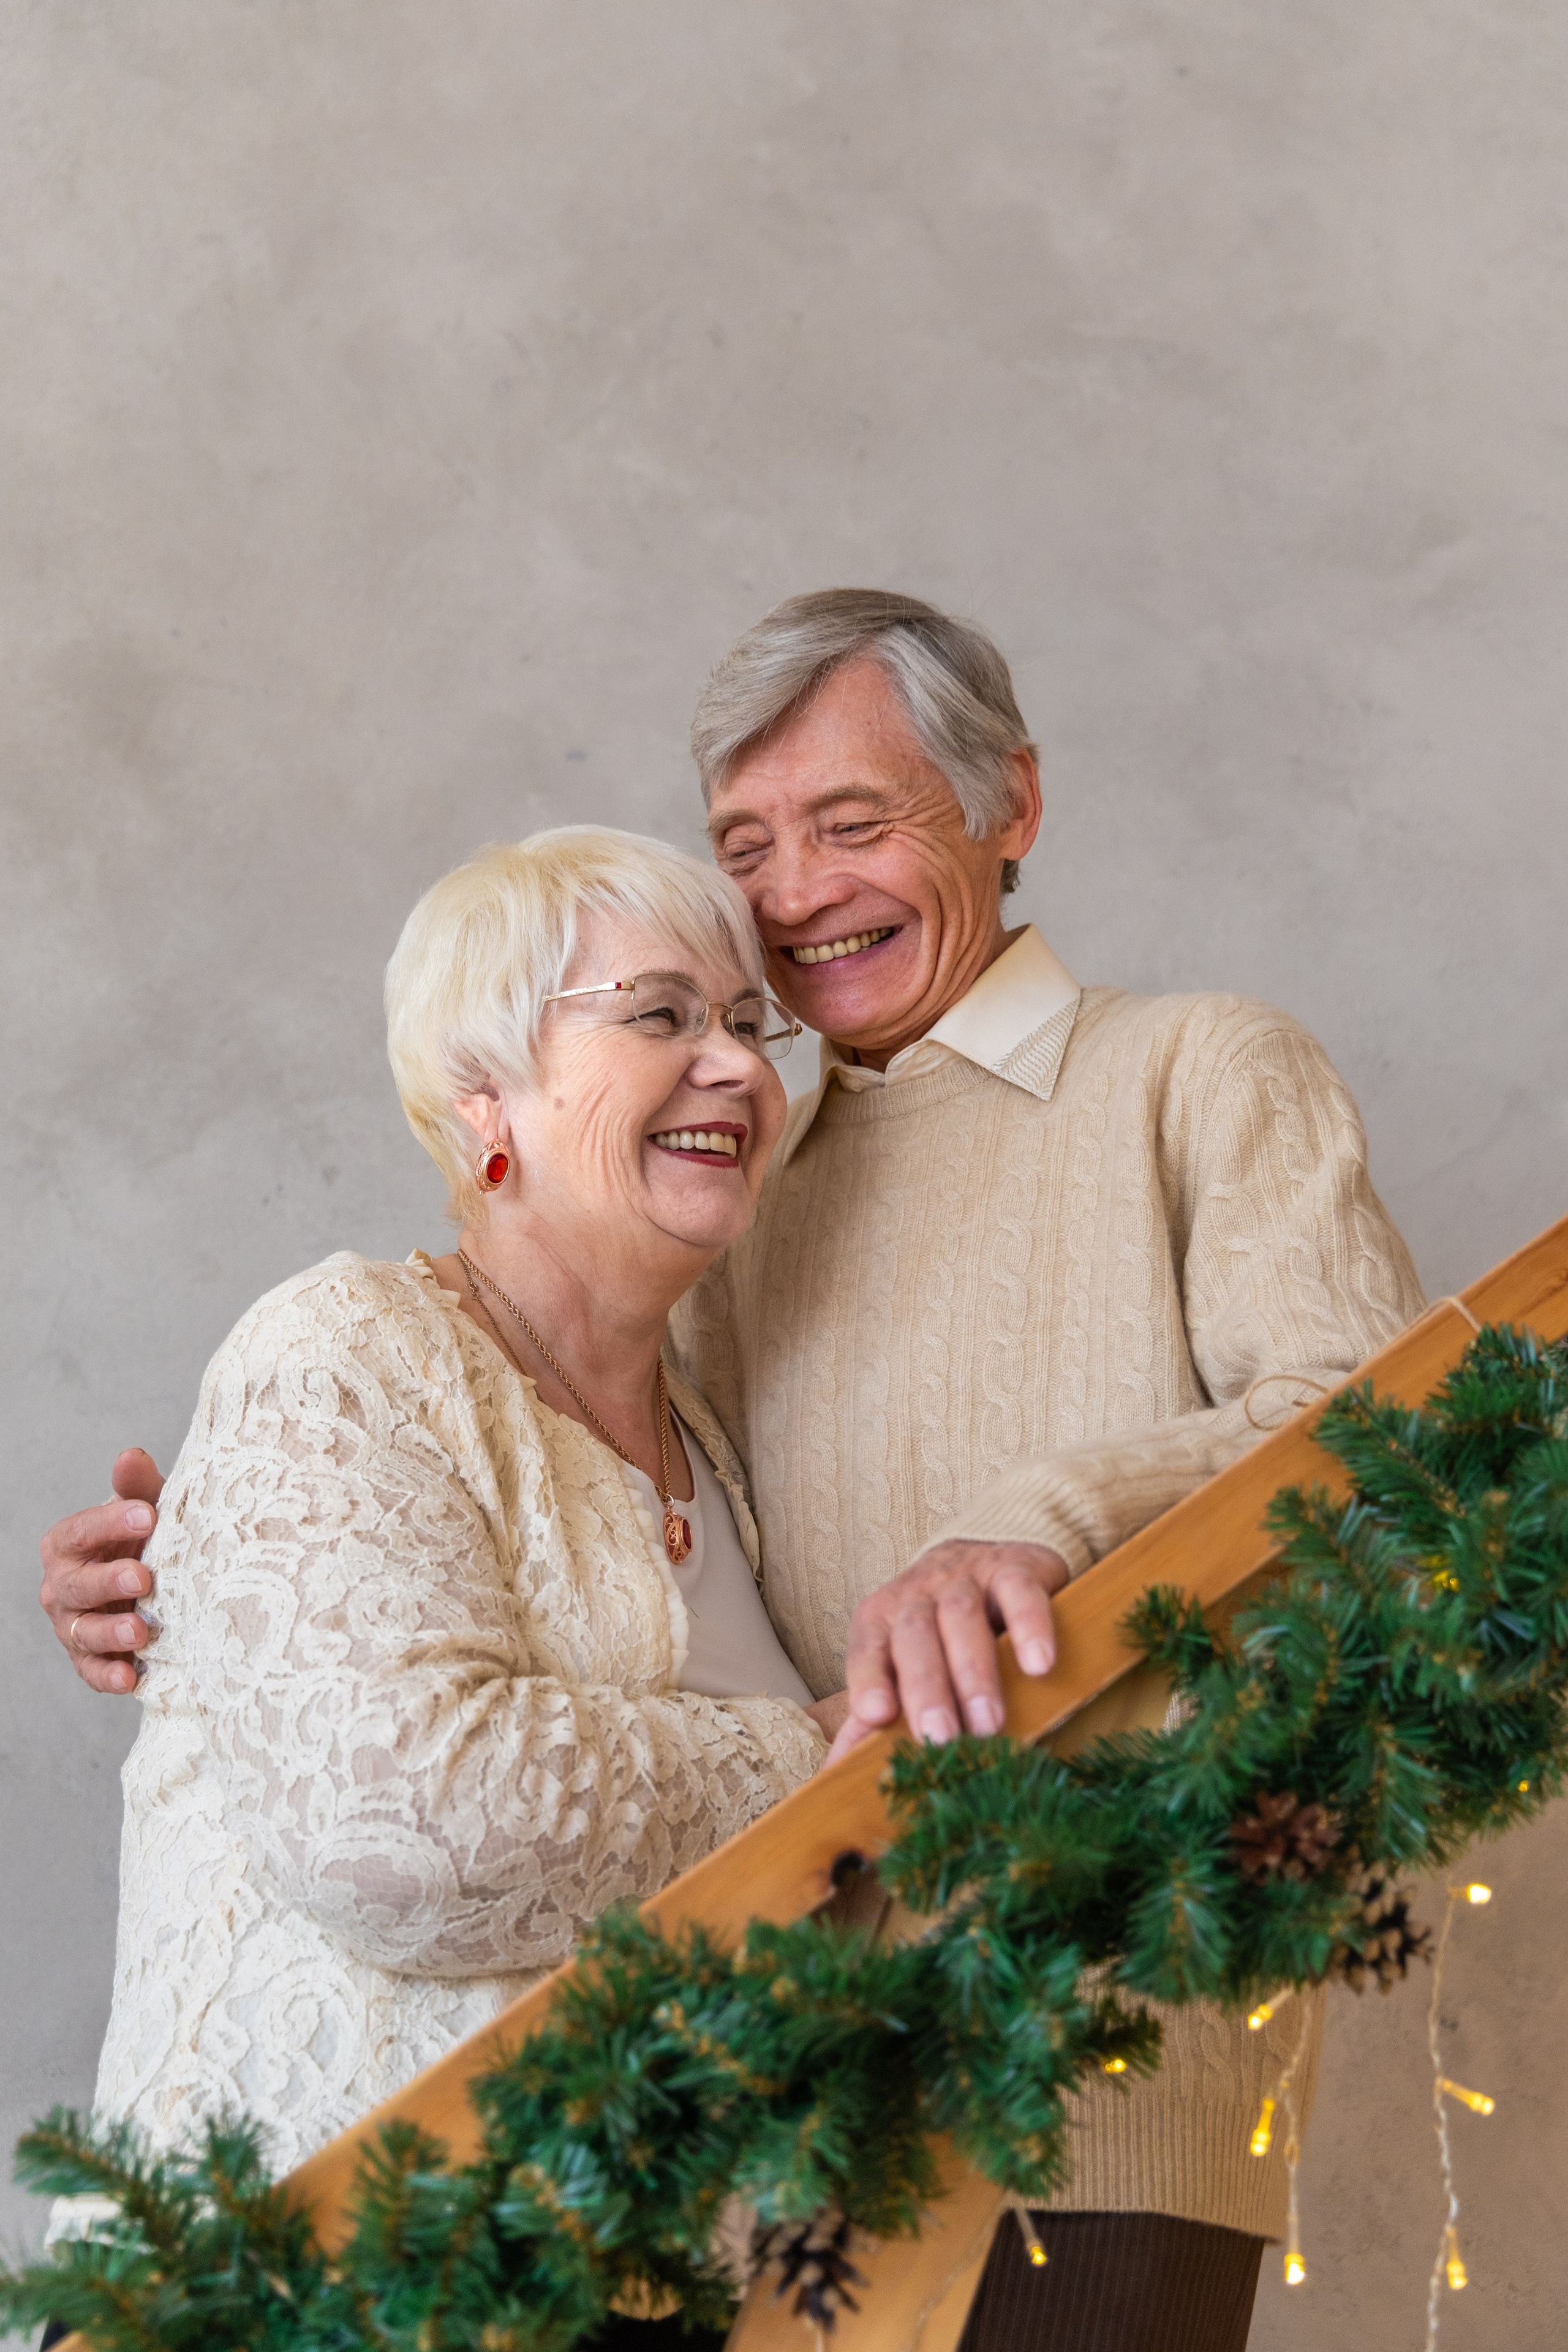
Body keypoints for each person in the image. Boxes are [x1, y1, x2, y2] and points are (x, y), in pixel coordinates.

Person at [42, 591, 1427, 2352]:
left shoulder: (1197, 1075)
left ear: (1009, 802)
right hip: (763, 2137)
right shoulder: (724, 1188)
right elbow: (536, 1562)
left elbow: (1381, 1450)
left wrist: (1044, 1522)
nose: (794, 895)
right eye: (746, 846)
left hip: (1105, 2068)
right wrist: (204, 1580)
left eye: (852, 824)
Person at [42, 826, 844, 2352]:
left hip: (631, 2294)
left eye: (750, 1024)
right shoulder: (345, 1351)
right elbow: (399, 1822)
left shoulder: (714, 1441)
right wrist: (806, 1758)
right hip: (302, 2286)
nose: (737, 1067)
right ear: (484, 1097)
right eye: (661, 1014)